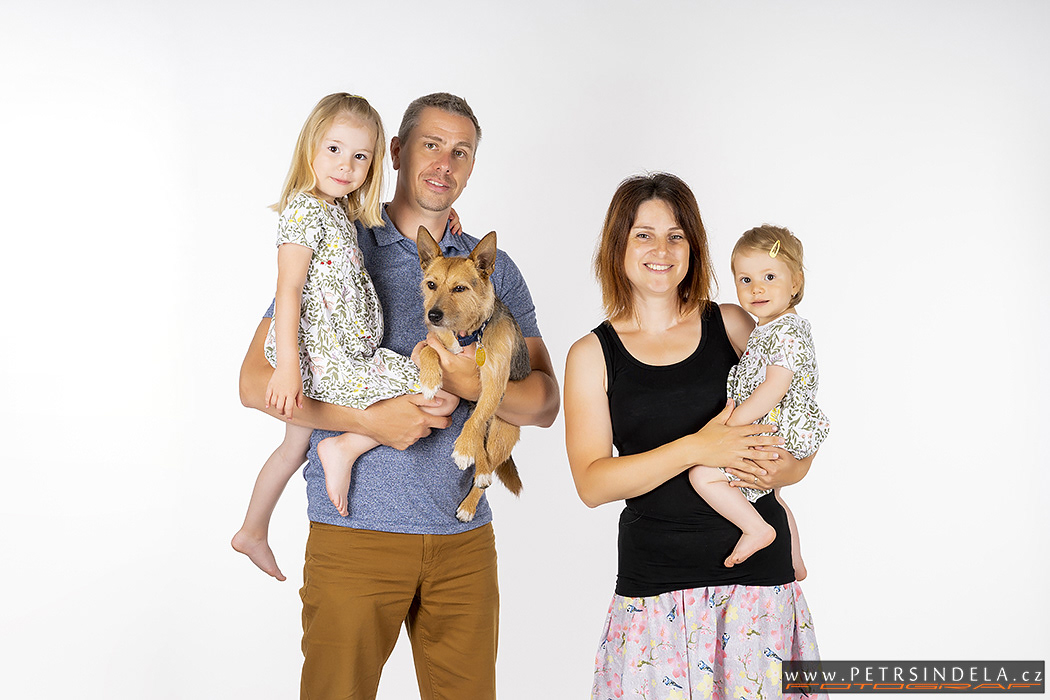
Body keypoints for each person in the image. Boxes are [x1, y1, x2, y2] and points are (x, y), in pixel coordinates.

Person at [239, 92, 559, 700]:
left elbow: (543, 402)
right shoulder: (340, 238)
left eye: (461, 152)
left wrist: (466, 382)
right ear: (396, 151)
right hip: (355, 532)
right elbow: (256, 382)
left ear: (472, 166)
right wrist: (372, 423)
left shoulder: (492, 269)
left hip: (463, 541)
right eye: (431, 145)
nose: (444, 163)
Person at [564, 173, 822, 699]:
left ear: (694, 247)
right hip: (656, 590)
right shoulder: (592, 355)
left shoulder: (733, 323)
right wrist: (696, 448)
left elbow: (797, 429)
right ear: (617, 245)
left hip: (756, 588)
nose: (661, 250)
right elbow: (592, 484)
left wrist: (786, 467)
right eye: (644, 235)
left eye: (676, 236)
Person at [230, 93, 462, 581]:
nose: (345, 165)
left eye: (359, 156)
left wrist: (449, 222)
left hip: (339, 351)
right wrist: (289, 367)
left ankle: (252, 530)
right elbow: (289, 290)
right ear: (309, 147)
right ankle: (345, 447)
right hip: (330, 356)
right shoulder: (304, 211)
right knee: (434, 390)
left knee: (292, 449)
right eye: (334, 150)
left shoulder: (339, 212)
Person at [688, 225, 830, 578]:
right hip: (778, 426)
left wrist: (730, 425)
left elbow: (774, 388)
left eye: (769, 277)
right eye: (745, 280)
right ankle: (794, 560)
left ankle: (757, 529)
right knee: (774, 496)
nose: (757, 288)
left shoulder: (785, 330)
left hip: (776, 427)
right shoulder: (771, 327)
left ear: (795, 283)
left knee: (703, 475)